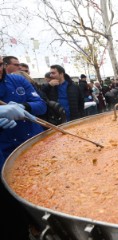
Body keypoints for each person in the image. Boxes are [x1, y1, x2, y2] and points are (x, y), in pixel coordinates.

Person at [0, 56, 46, 239]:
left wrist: (23, 105)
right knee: (12, 199)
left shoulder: (18, 80)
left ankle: (43, 223)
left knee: (42, 186)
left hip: (35, 144)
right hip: (5, 151)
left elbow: (41, 106)